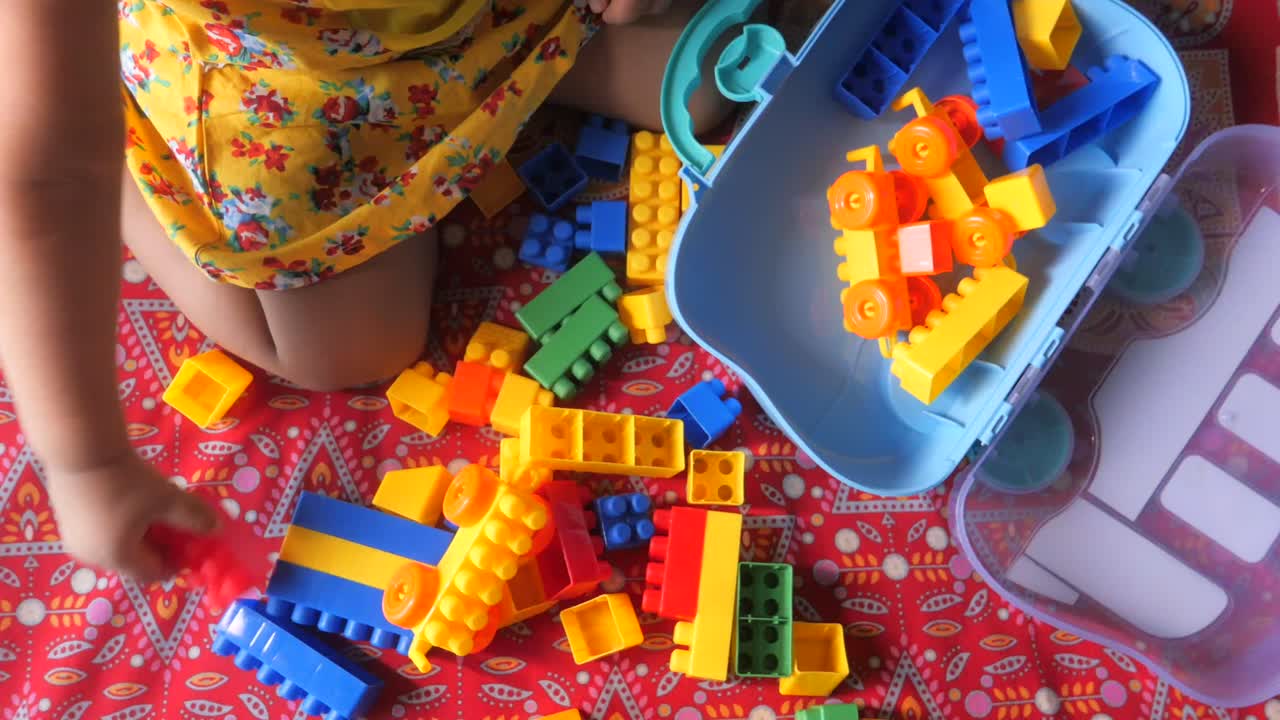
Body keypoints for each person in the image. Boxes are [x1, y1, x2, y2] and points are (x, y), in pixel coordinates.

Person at [0, 0, 729, 582]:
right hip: (285, 93)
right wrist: (86, 460)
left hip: (487, 20)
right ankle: (127, 140)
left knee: (714, 84)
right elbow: (51, 182)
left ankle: (515, 81)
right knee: (349, 350)